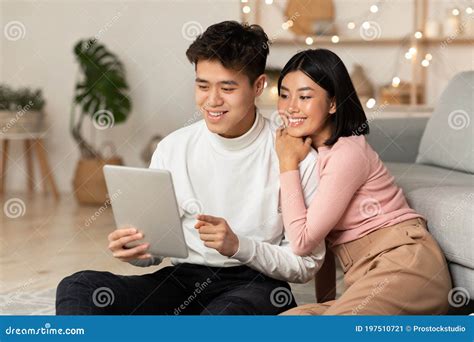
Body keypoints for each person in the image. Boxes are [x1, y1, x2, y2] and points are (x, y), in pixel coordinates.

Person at [56, 21, 325, 315]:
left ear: (258, 86)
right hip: (182, 281)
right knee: (78, 287)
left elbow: (305, 265)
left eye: (227, 87)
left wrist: (239, 246)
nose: (212, 100)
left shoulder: (295, 155)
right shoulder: (173, 148)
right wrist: (136, 251)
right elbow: (156, 252)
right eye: (202, 85)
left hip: (257, 284)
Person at [275, 49, 451, 315]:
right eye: (284, 95)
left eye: (305, 96)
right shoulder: (309, 153)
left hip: (406, 264)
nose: (290, 107)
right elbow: (324, 242)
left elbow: (302, 242)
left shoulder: (347, 152)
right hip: (366, 277)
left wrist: (286, 164)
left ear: (333, 103)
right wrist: (325, 306)